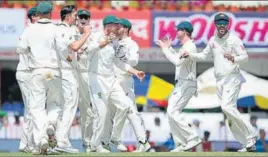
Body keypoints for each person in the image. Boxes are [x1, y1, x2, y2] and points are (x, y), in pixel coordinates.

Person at [180, 12, 257, 152]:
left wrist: (234, 58)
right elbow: (204, 55)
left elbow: (245, 57)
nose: (222, 25)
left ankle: (251, 135)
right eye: (219, 23)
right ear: (215, 24)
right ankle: (247, 143)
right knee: (228, 113)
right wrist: (189, 55)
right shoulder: (213, 40)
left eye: (224, 23)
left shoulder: (234, 40)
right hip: (220, 80)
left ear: (228, 25)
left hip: (232, 77)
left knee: (227, 107)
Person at [84, 15, 145, 153]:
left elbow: (119, 63)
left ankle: (115, 137)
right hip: (96, 79)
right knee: (102, 113)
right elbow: (88, 50)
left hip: (111, 79)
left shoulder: (116, 43)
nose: (119, 28)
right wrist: (105, 42)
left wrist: (135, 72)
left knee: (124, 106)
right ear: (108, 26)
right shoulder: (96, 36)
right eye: (116, 26)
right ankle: (96, 145)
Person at [16, 2, 61, 154]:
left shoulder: (29, 29)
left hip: (36, 71)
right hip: (52, 70)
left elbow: (20, 48)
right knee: (54, 102)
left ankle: (41, 138)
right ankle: (51, 124)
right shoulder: (56, 28)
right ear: (50, 13)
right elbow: (62, 48)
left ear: (38, 14)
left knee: (36, 107)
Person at [156, 21, 202, 152]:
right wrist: (169, 48)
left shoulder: (190, 46)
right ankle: (181, 143)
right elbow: (178, 58)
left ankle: (192, 137)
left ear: (185, 31)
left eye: (178, 30)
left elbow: (176, 62)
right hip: (181, 84)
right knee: (170, 113)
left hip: (186, 83)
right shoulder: (185, 46)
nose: (176, 32)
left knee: (172, 112)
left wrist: (165, 49)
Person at [54, 5, 91, 153]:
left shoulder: (56, 29)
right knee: (69, 106)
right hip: (67, 73)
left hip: (59, 71)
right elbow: (75, 46)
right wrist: (86, 34)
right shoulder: (66, 30)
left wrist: (70, 57)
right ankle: (61, 141)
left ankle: (58, 140)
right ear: (68, 17)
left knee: (64, 107)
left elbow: (66, 51)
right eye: (75, 16)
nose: (77, 19)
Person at [110, 18, 151, 152]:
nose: (116, 29)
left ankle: (142, 141)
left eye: (119, 27)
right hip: (111, 81)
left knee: (130, 110)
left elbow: (133, 60)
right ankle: (109, 141)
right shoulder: (113, 42)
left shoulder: (131, 44)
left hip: (124, 80)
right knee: (113, 112)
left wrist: (122, 55)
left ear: (126, 29)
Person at [16, 7, 37, 153]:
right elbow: (21, 49)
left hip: (30, 73)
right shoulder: (30, 31)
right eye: (36, 15)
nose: (40, 17)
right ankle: (27, 144)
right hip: (26, 72)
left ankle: (26, 143)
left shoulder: (34, 31)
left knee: (31, 109)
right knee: (31, 109)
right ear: (31, 17)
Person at [74, 9, 94, 153]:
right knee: (66, 109)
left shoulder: (94, 36)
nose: (83, 19)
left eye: (86, 17)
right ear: (76, 19)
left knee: (90, 111)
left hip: (89, 74)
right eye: (81, 17)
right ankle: (57, 142)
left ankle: (90, 143)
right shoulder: (70, 34)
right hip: (73, 74)